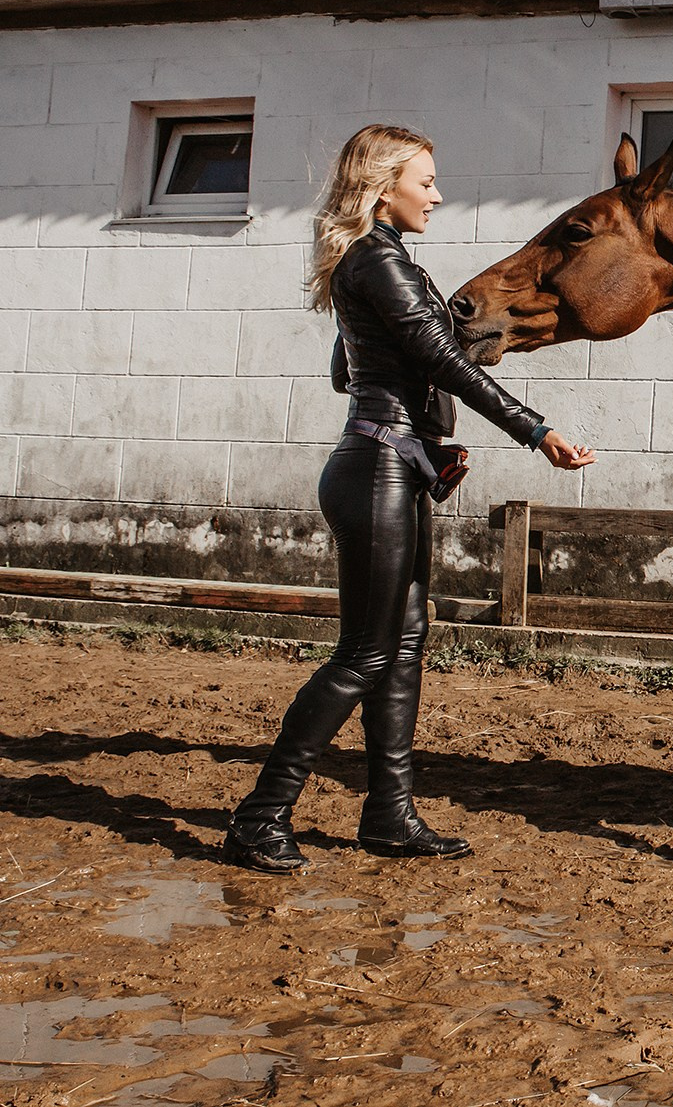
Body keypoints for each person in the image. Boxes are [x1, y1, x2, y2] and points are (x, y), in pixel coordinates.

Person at [223, 124, 596, 873]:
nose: (437, 193)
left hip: (397, 464)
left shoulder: (385, 266)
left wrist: (406, 348)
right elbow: (439, 360)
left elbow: (347, 367)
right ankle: (259, 815)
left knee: (403, 642)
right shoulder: (376, 261)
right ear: (383, 184)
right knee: (365, 652)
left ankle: (389, 815)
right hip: (376, 469)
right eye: (425, 180)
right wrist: (537, 429)